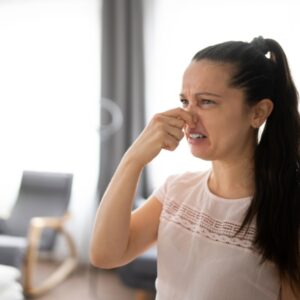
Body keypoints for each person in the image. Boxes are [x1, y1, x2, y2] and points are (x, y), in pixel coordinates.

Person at [90, 37, 300, 300]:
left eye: (207, 102)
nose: (188, 117)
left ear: (258, 113)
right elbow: (105, 254)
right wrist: (133, 160)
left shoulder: (288, 210)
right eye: (184, 101)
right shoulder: (176, 191)